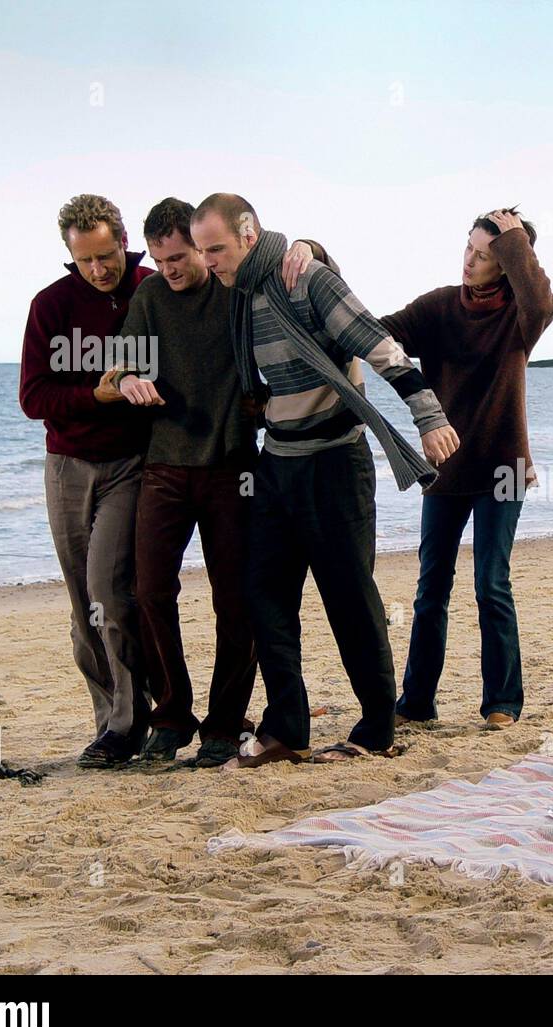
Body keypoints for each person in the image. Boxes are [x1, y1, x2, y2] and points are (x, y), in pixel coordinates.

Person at [188, 193, 460, 768]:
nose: (209, 261)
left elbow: (381, 346)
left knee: (349, 600)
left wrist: (428, 418)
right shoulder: (241, 295)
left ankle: (378, 727)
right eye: (202, 250)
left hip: (336, 464)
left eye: (216, 248)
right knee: (264, 596)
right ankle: (288, 727)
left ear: (248, 234)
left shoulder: (305, 278)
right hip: (278, 462)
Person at [111, 197, 315, 768]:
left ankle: (224, 724)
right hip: (164, 467)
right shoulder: (150, 297)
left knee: (235, 599)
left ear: (200, 248)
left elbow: (294, 270)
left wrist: (308, 246)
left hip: (232, 467)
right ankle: (172, 716)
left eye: (179, 257)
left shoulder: (234, 289)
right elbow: (120, 363)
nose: (170, 269)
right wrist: (128, 379)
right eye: (160, 259)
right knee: (150, 589)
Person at [382, 208, 553, 731]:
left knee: (490, 584)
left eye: (485, 255)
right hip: (446, 470)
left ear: (506, 263)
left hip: (502, 469)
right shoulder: (437, 307)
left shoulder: (522, 319)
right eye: (468, 249)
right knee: (430, 587)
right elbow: (377, 334)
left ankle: (502, 701)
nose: (470, 262)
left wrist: (516, 241)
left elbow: (542, 299)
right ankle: (416, 702)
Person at [19, 194, 156, 768]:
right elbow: (32, 398)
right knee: (84, 608)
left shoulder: (152, 287)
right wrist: (93, 395)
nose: (99, 270)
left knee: (109, 590)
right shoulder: (49, 305)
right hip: (67, 465)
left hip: (132, 464)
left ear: (124, 242)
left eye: (107, 256)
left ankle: (130, 721)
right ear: (69, 257)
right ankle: (111, 723)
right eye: (85, 261)